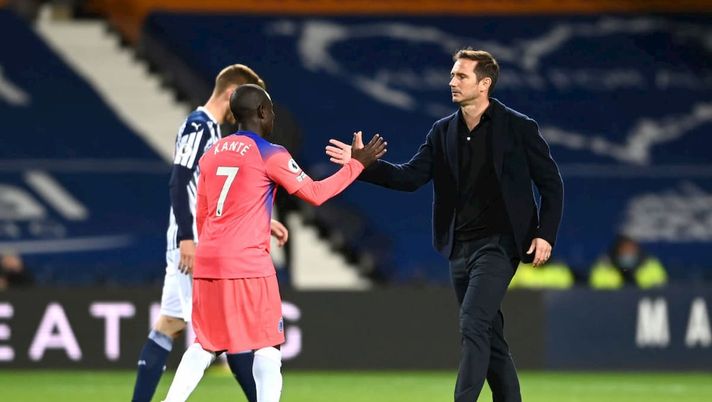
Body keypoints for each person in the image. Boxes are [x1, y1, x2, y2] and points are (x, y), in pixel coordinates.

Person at [326, 49, 563, 402]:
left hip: (500, 245)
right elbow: (409, 177)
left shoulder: (518, 127)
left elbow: (551, 184)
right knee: (489, 335)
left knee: (472, 323)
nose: (452, 81)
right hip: (459, 248)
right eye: (452, 75)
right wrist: (362, 165)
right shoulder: (442, 131)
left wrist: (545, 234)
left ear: (484, 84)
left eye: (461, 76)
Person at [161, 84, 386, 402]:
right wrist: (357, 165)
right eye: (271, 111)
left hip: (209, 261)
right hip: (248, 265)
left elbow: (207, 213)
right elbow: (315, 194)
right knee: (267, 346)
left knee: (204, 344)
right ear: (262, 113)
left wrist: (261, 223)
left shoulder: (212, 153)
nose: (273, 117)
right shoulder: (271, 153)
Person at [131, 64, 288, 402]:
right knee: (227, 336)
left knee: (170, 325)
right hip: (196, 243)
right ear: (232, 94)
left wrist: (262, 221)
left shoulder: (214, 134)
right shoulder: (198, 127)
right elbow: (179, 180)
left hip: (201, 240)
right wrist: (187, 238)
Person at [589, 234, 667, 290]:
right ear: (616, 251)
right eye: (624, 250)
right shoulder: (604, 267)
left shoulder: (650, 265)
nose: (628, 253)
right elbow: (598, 289)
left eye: (631, 250)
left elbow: (660, 286)